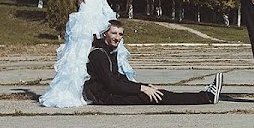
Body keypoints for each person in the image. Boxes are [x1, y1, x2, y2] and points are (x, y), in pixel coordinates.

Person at [83, 20, 224, 105]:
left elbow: (118, 78)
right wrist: (142, 89)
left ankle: (206, 96)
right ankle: (207, 97)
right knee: (160, 96)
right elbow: (112, 84)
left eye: (120, 34)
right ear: (105, 33)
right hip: (106, 98)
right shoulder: (98, 54)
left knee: (158, 93)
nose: (118, 38)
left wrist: (143, 85)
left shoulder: (108, 51)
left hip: (111, 94)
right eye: (114, 33)